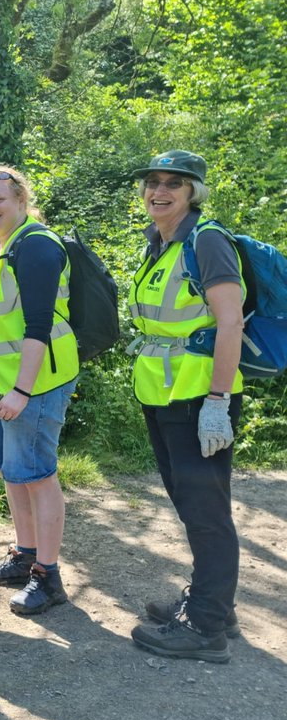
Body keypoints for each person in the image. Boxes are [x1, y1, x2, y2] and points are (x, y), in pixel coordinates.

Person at [126, 151, 243, 663]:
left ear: (193, 192)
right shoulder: (161, 244)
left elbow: (230, 322)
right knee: (191, 504)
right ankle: (213, 602)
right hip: (162, 393)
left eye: (174, 183)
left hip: (198, 396)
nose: (160, 190)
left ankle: (205, 628)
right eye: (153, 182)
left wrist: (218, 400)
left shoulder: (206, 240)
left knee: (206, 510)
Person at [0, 166, 79, 615]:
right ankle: (25, 553)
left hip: (36, 383)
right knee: (14, 473)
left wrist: (22, 392)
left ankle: (47, 577)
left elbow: (38, 327)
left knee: (37, 473)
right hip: (2, 382)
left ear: (21, 202)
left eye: (0, 200)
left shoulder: (36, 246)